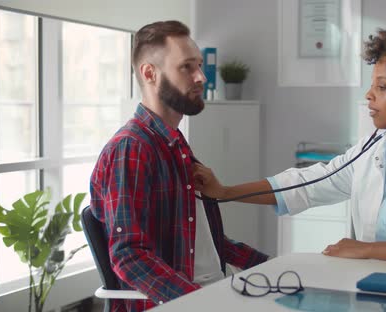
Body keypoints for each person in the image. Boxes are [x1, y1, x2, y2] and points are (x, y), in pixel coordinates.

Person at [193, 20, 386, 268]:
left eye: (382, 87)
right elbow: (306, 184)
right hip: (380, 288)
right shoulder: (369, 153)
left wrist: (366, 250)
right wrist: (225, 192)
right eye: (371, 85)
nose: (369, 95)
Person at [89, 20, 268, 312]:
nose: (201, 77)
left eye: (199, 65)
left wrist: (273, 266)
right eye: (186, 67)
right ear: (150, 73)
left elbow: (206, 241)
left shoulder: (175, 146)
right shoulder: (131, 148)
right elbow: (129, 255)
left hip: (215, 293)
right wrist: (200, 301)